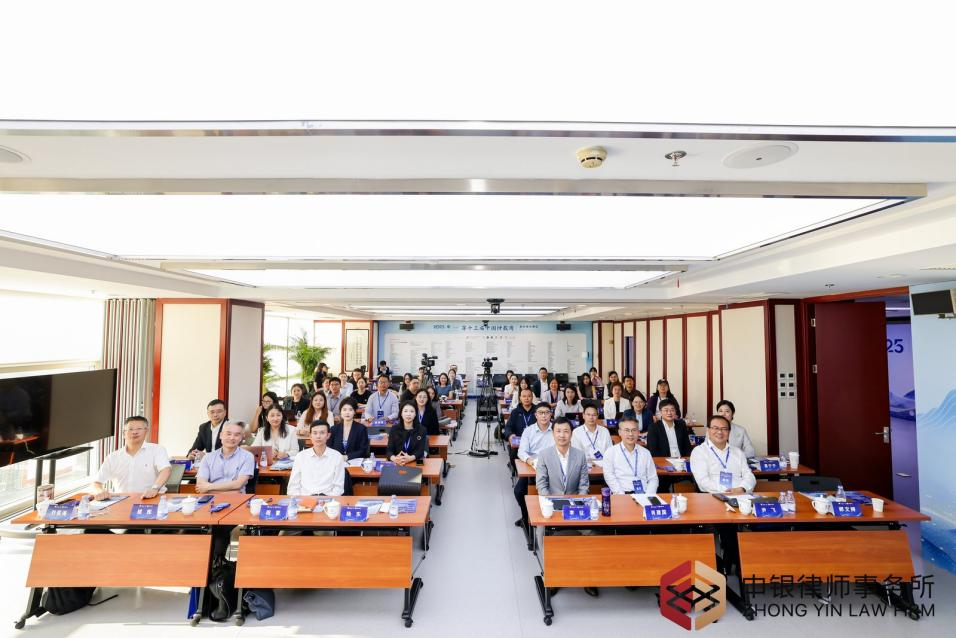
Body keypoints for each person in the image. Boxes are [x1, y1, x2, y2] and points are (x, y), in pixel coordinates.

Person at [93, 416, 171, 499]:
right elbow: (97, 482)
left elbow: (166, 470)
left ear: (146, 431)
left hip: (152, 498)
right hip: (121, 500)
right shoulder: (113, 457)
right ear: (124, 433)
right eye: (130, 429)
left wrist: (154, 488)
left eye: (139, 429)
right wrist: (100, 491)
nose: (134, 432)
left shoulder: (157, 450)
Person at [513, 403, 555, 528]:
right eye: (540, 413)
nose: (544, 415)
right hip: (532, 466)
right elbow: (521, 451)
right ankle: (526, 517)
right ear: (536, 415)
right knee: (519, 491)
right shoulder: (528, 430)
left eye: (546, 412)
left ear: (551, 414)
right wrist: (530, 461)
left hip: (553, 467)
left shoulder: (557, 429)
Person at [690, 415, 756, 494]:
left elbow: (749, 476)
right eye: (715, 428)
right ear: (708, 430)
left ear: (729, 432)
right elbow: (703, 482)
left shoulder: (738, 452)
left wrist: (742, 488)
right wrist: (728, 491)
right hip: (712, 496)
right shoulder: (699, 452)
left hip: (740, 494)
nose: (720, 432)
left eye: (724, 429)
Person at [602, 416, 658, 495]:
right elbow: (609, 477)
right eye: (627, 430)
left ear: (638, 432)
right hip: (621, 495)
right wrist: (622, 495)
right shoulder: (610, 452)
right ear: (619, 432)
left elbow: (653, 478)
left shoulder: (646, 453)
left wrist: (648, 496)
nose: (631, 434)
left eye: (634, 430)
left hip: (644, 494)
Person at [288, 420, 345, 497]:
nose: (318, 436)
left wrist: (328, 500)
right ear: (310, 436)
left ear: (328, 435)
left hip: (329, 499)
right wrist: (301, 500)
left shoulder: (337, 456)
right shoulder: (301, 456)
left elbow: (338, 487)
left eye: (322, 433)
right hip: (305, 499)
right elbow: (293, 487)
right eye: (315, 433)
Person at [195, 421, 255, 494]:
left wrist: (208, 488)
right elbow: (200, 486)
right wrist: (232, 492)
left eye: (236, 435)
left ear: (241, 438)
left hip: (237, 499)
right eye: (228, 434)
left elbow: (238, 484)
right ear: (221, 435)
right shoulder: (207, 457)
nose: (232, 438)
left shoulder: (247, 456)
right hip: (211, 498)